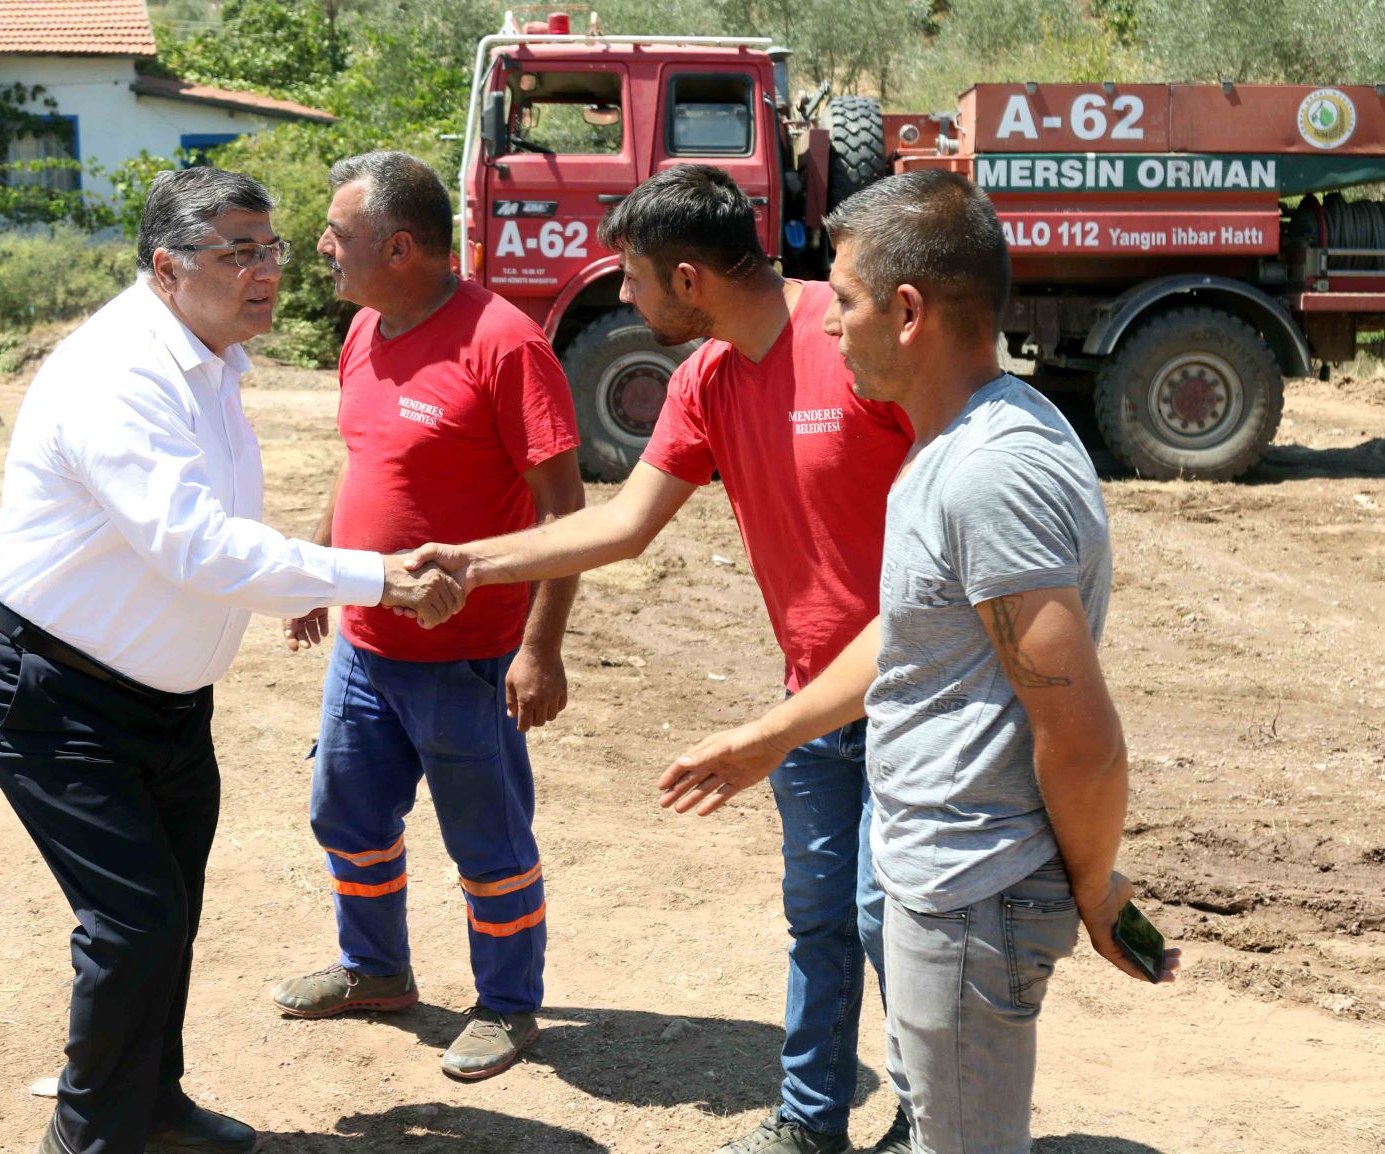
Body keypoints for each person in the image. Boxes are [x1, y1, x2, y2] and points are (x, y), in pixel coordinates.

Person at [656, 169, 1182, 1154]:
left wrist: (1096, 885)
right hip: (946, 883)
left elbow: (1082, 733)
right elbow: (908, 632)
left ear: (906, 311)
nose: (825, 325)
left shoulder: (989, 473)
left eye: (843, 301)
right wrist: (764, 736)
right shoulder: (953, 445)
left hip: (972, 891)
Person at [0, 166, 465, 1154]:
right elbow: (190, 541)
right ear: (167, 266)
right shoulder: (121, 374)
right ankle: (90, 1137)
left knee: (168, 914)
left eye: (271, 248)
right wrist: (365, 576)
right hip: (49, 692)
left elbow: (217, 535)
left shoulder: (211, 358)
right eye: (239, 253)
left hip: (162, 704)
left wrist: (295, 577)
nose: (269, 271)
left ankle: (154, 1106)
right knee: (133, 922)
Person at [404, 164, 914, 1153]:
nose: (623, 297)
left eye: (631, 279)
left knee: (892, 922)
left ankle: (927, 1123)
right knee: (818, 919)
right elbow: (625, 524)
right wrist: (469, 561)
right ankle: (810, 1125)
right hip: (809, 701)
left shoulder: (855, 343)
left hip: (916, 696)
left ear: (688, 278)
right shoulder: (708, 379)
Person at [266, 151, 584, 1081]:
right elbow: (362, 463)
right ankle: (375, 970)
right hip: (367, 649)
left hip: (470, 659)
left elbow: (565, 513)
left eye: (340, 234)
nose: (322, 247)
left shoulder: (504, 342)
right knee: (347, 816)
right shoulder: (365, 329)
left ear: (401, 246)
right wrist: (322, 574)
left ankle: (510, 1006)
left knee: (488, 844)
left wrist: (541, 650)